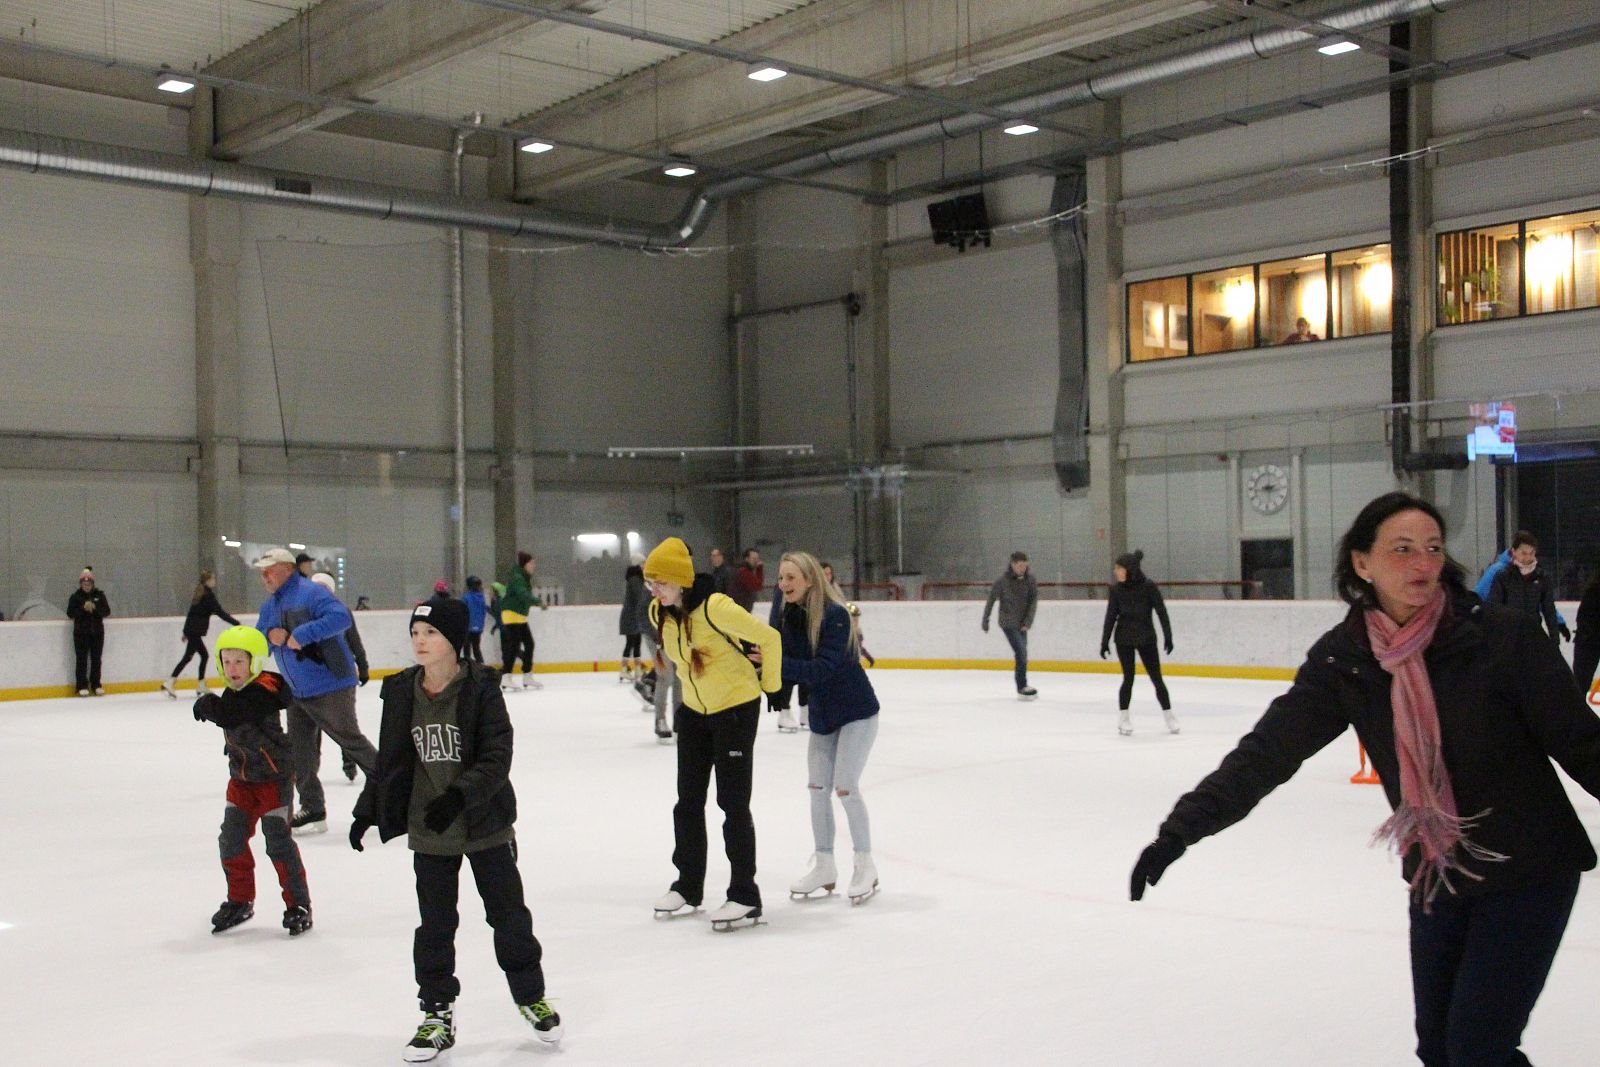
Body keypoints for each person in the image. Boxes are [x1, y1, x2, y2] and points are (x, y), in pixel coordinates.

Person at [1129, 491, 1600, 1067]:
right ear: (1361, 563)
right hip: (1438, 871)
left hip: (1529, 867)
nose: (1422, 563)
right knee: (1438, 1050)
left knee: (1478, 1051)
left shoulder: (1502, 639)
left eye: (1433, 548)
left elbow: (1583, 743)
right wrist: (1180, 830)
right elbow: (1268, 753)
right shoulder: (1347, 660)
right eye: (1402, 549)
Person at [349, 598, 562, 1060]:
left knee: (508, 917)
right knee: (435, 925)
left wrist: (459, 797)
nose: (419, 641)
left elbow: (497, 757)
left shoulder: (481, 688)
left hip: (485, 824)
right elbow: (391, 760)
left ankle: (531, 997)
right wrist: (368, 810)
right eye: (415, 632)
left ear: (453, 640)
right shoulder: (402, 691)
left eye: (430, 633)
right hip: (430, 829)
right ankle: (436, 1014)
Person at [644, 537, 782, 930]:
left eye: (661, 582)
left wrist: (772, 686)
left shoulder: (716, 607)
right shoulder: (660, 612)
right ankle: (688, 885)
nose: (654, 590)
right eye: (651, 583)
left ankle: (744, 894)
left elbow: (769, 638)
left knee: (732, 803)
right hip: (694, 712)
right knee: (687, 801)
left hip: (734, 710)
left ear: (681, 580)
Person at [191, 625, 312, 937]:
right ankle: (240, 900)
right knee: (230, 839)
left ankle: (299, 905)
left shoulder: (263, 691)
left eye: (239, 661)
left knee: (278, 842)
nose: (232, 668)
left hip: (273, 780)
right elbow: (229, 712)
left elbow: (234, 714)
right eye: (226, 661)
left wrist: (208, 704)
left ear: (255, 662)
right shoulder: (234, 692)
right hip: (242, 781)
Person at [778, 552, 882, 905]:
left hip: (856, 712)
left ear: (810, 580)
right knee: (816, 788)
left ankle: (865, 865)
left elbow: (821, 669)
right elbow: (787, 667)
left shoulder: (836, 615)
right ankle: (824, 865)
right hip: (823, 717)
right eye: (781, 578)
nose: (784, 584)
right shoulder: (789, 616)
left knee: (845, 786)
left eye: (791, 577)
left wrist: (776, 663)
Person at [253, 547, 377, 834]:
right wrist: (269, 636)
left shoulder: (311, 593)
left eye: (270, 571)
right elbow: (259, 643)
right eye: (262, 572)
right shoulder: (270, 605)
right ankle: (312, 807)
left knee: (350, 740)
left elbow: (341, 618)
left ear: (287, 569)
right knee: (299, 752)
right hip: (297, 691)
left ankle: (397, 792)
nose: (265, 577)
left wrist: (302, 634)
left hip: (330, 685)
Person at [1099, 549, 1178, 736]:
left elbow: (1161, 611)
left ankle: (1169, 716)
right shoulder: (1116, 590)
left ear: (1128, 569)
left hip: (1146, 638)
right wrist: (1104, 641)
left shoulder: (1148, 587)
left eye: (1118, 568)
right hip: (1124, 639)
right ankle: (1123, 718)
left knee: (1157, 678)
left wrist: (1168, 636)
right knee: (1128, 678)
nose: (1115, 572)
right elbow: (1110, 616)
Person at [309, 571, 370, 785]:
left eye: (324, 588)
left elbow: (354, 641)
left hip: (339, 678)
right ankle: (309, 770)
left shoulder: (340, 612)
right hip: (313, 680)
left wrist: (363, 666)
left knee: (344, 724)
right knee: (311, 728)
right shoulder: (302, 614)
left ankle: (350, 762)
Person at [163, 570, 240, 698]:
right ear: (207, 581)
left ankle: (199, 684)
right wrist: (235, 623)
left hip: (192, 631)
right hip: (195, 631)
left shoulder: (201, 593)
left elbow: (191, 613)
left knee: (201, 656)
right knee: (191, 657)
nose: (214, 581)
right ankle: (172, 682)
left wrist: (185, 631)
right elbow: (219, 612)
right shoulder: (207, 596)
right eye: (212, 579)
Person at [1486, 531, 1564, 645]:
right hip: (1509, 639)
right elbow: (1493, 609)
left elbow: (1549, 611)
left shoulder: (1542, 577)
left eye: (1531, 553)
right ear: (1514, 552)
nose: (1528, 558)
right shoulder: (1503, 577)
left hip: (1533, 637)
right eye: (1523, 553)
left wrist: (1555, 642)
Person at [981, 552, 1038, 698]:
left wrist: (1028, 622)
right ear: (1012, 565)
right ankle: (1022, 686)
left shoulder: (1030, 580)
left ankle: (1022, 686)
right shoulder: (1002, 581)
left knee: (1022, 654)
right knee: (1021, 652)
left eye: (1025, 566)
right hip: (1008, 623)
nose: (1022, 569)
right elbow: (991, 600)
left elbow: (1033, 602)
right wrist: (985, 619)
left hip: (1022, 623)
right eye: (1020, 566)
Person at [498, 551, 546, 692]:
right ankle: (506, 676)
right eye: (531, 563)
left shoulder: (522, 576)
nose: (533, 566)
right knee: (514, 646)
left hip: (518, 615)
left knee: (529, 644)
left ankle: (527, 675)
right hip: (512, 614)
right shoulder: (518, 577)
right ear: (525, 564)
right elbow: (522, 594)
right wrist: (537, 601)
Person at [766, 581, 806, 734]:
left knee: (806, 673)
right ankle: (784, 710)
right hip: (786, 637)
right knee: (786, 676)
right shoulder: (781, 588)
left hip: (804, 636)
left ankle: (805, 708)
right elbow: (776, 614)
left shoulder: (808, 586)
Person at [66, 566, 110, 696]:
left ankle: (96, 684)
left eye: (89, 584)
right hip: (81, 633)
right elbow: (70, 613)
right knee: (82, 660)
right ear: (81, 584)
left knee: (96, 659)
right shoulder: (75, 597)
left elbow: (106, 611)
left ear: (92, 584)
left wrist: (95, 608)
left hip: (97, 633)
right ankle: (81, 685)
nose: (87, 586)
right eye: (84, 584)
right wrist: (82, 608)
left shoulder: (99, 595)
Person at [1574, 566, 1600, 703]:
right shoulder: (1593, 591)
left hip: (1588, 641)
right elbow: (1583, 618)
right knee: (1580, 685)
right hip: (1588, 642)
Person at [620, 564, 646, 683]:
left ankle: (637, 668)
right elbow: (639, 597)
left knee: (636, 643)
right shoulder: (635, 580)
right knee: (631, 643)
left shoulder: (634, 580)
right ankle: (624, 669)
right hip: (631, 617)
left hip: (633, 616)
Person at [462, 576, 488, 664]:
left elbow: (463, 610)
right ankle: (481, 664)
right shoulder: (482, 598)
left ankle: (467, 665)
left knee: (467, 648)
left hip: (468, 626)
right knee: (476, 647)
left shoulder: (466, 597)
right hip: (478, 627)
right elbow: (484, 612)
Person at [731, 548, 764, 612]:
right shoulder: (743, 572)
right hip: (739, 609)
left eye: (757, 558)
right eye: (754, 558)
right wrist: (759, 569)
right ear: (747, 559)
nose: (756, 561)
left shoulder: (744, 571)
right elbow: (757, 586)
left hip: (740, 608)